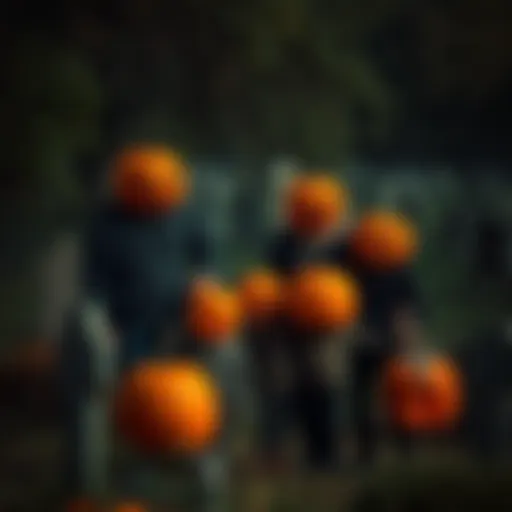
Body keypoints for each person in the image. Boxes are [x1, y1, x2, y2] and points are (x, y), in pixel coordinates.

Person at [313, 212, 425, 469]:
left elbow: (407, 310)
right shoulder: (346, 258)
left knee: (398, 396)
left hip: (389, 338)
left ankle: (405, 449)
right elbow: (327, 288)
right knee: (361, 397)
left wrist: (409, 344)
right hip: (358, 337)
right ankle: (366, 452)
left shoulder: (397, 268)